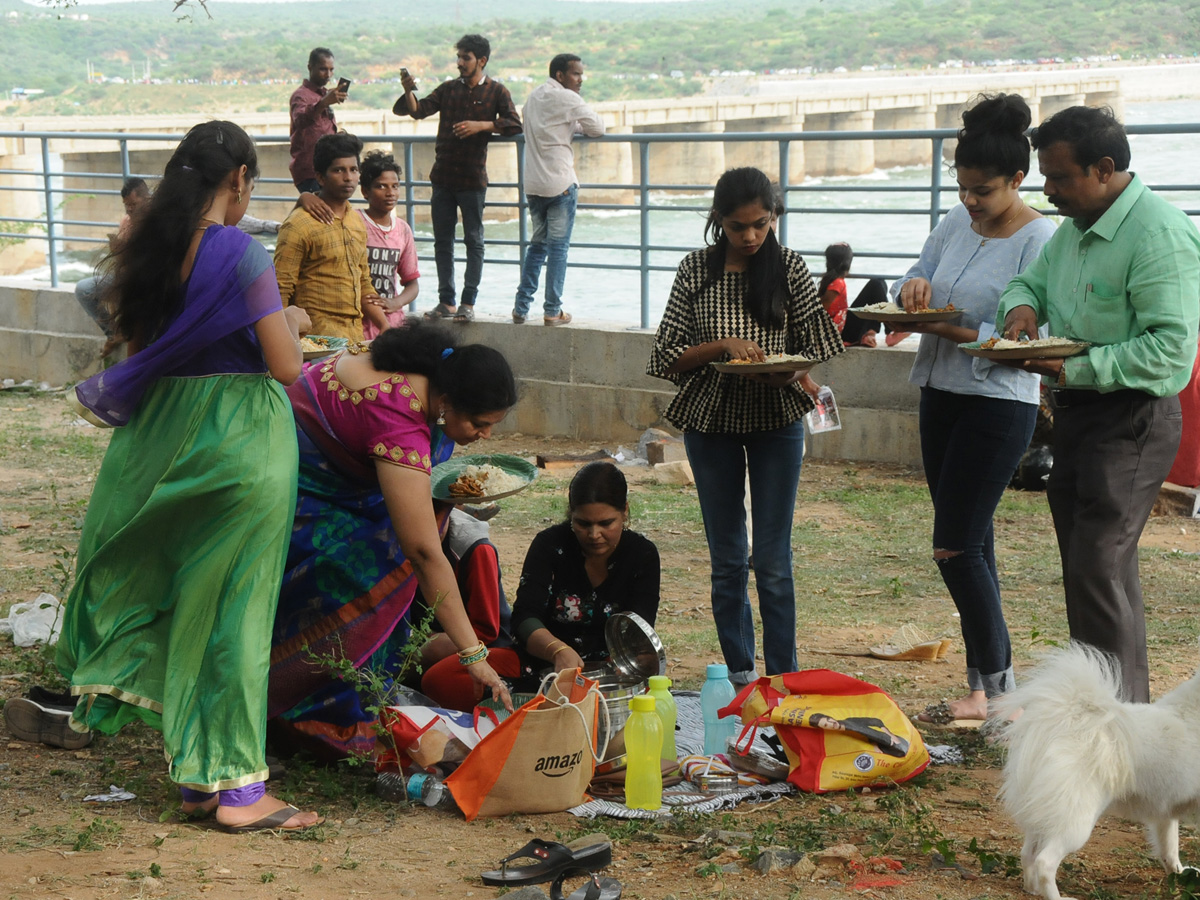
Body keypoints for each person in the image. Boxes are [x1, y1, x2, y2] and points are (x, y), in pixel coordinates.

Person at [55, 121, 322, 833]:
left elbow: (146, 346)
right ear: (237, 180)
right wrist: (290, 315)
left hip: (161, 437)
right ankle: (237, 791)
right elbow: (286, 366)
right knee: (236, 611)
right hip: (240, 440)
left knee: (185, 607)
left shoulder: (147, 250)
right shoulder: (240, 251)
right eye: (251, 186)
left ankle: (199, 780)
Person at [997, 105, 1200, 703]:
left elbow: (1170, 351)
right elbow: (1028, 283)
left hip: (1132, 418)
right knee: (1095, 567)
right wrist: (1022, 312)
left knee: (1097, 564)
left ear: (1105, 169)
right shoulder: (1075, 230)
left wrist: (1071, 365)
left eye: (1059, 178)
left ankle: (1118, 723)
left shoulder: (1159, 234)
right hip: (1078, 414)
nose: (1047, 191)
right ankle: (1116, 710)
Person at [267, 320, 519, 760]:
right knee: (360, 570)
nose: (486, 436)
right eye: (480, 423)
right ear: (447, 402)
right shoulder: (399, 420)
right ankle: (314, 717)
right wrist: (473, 655)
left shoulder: (427, 367)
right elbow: (423, 552)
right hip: (299, 481)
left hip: (326, 464)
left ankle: (352, 692)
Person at [890, 94, 1057, 725]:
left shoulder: (1040, 239)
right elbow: (919, 273)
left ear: (1017, 180)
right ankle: (984, 686)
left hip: (997, 402)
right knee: (973, 543)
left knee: (954, 546)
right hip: (941, 393)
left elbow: (1023, 336)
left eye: (982, 191)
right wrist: (915, 289)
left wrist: (951, 326)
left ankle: (1004, 689)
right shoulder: (955, 223)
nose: (970, 202)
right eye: (962, 189)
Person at [647, 167, 843, 685]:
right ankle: (739, 673)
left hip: (777, 420)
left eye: (761, 223)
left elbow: (820, 345)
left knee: (773, 561)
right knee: (727, 557)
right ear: (718, 221)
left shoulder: (791, 269)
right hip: (710, 422)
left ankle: (783, 678)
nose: (751, 236)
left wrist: (789, 370)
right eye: (738, 227)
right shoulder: (695, 270)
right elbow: (667, 355)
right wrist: (720, 348)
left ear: (774, 216)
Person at [393, 34, 522, 323]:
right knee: (443, 242)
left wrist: (482, 125)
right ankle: (446, 301)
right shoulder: (449, 89)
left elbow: (514, 123)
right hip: (443, 177)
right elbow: (418, 111)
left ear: (482, 61)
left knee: (474, 240)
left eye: (466, 58)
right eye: (459, 57)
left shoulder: (497, 92)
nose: (460, 63)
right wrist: (407, 89)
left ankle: (468, 302)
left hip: (473, 180)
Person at [511, 53, 605, 327]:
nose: (580, 80)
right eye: (576, 74)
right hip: (560, 184)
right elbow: (597, 128)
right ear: (560, 75)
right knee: (559, 249)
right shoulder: (568, 98)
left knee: (537, 247)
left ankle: (520, 307)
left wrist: (570, 125)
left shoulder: (534, 97)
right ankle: (553, 310)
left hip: (534, 184)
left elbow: (543, 127)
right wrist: (576, 124)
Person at [274, 132, 383, 341]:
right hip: (317, 341)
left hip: (354, 339)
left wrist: (385, 325)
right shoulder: (299, 224)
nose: (348, 177)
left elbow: (364, 282)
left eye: (353, 170)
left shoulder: (356, 222)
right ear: (321, 177)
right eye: (339, 170)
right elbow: (280, 290)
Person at [416, 507, 515, 711]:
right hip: (421, 636)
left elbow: (486, 631)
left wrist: (422, 647)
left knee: (433, 680)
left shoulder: (476, 549)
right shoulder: (399, 536)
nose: (423, 528)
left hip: (482, 646)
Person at [74, 177, 151, 357]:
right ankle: (115, 333)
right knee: (84, 289)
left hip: (146, 283)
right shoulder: (127, 222)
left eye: (133, 204)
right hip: (126, 277)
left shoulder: (157, 222)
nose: (130, 209)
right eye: (126, 205)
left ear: (146, 199)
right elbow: (122, 262)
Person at [357, 150, 419, 339]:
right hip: (358, 321)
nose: (390, 193)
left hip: (391, 322)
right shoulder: (355, 222)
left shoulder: (402, 229)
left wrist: (396, 303)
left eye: (395, 186)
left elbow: (412, 284)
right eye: (381, 186)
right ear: (365, 191)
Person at [289, 47, 345, 225]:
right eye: (323, 69)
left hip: (326, 169)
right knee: (319, 220)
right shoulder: (301, 96)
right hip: (309, 171)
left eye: (331, 69)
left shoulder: (323, 95)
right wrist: (323, 103)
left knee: (326, 220)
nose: (328, 74)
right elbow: (300, 120)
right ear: (310, 67)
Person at [816, 241, 891, 348]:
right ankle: (891, 331)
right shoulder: (837, 283)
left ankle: (871, 332)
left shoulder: (832, 281)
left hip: (844, 329)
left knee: (880, 283)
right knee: (876, 284)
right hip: (842, 334)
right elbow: (821, 310)